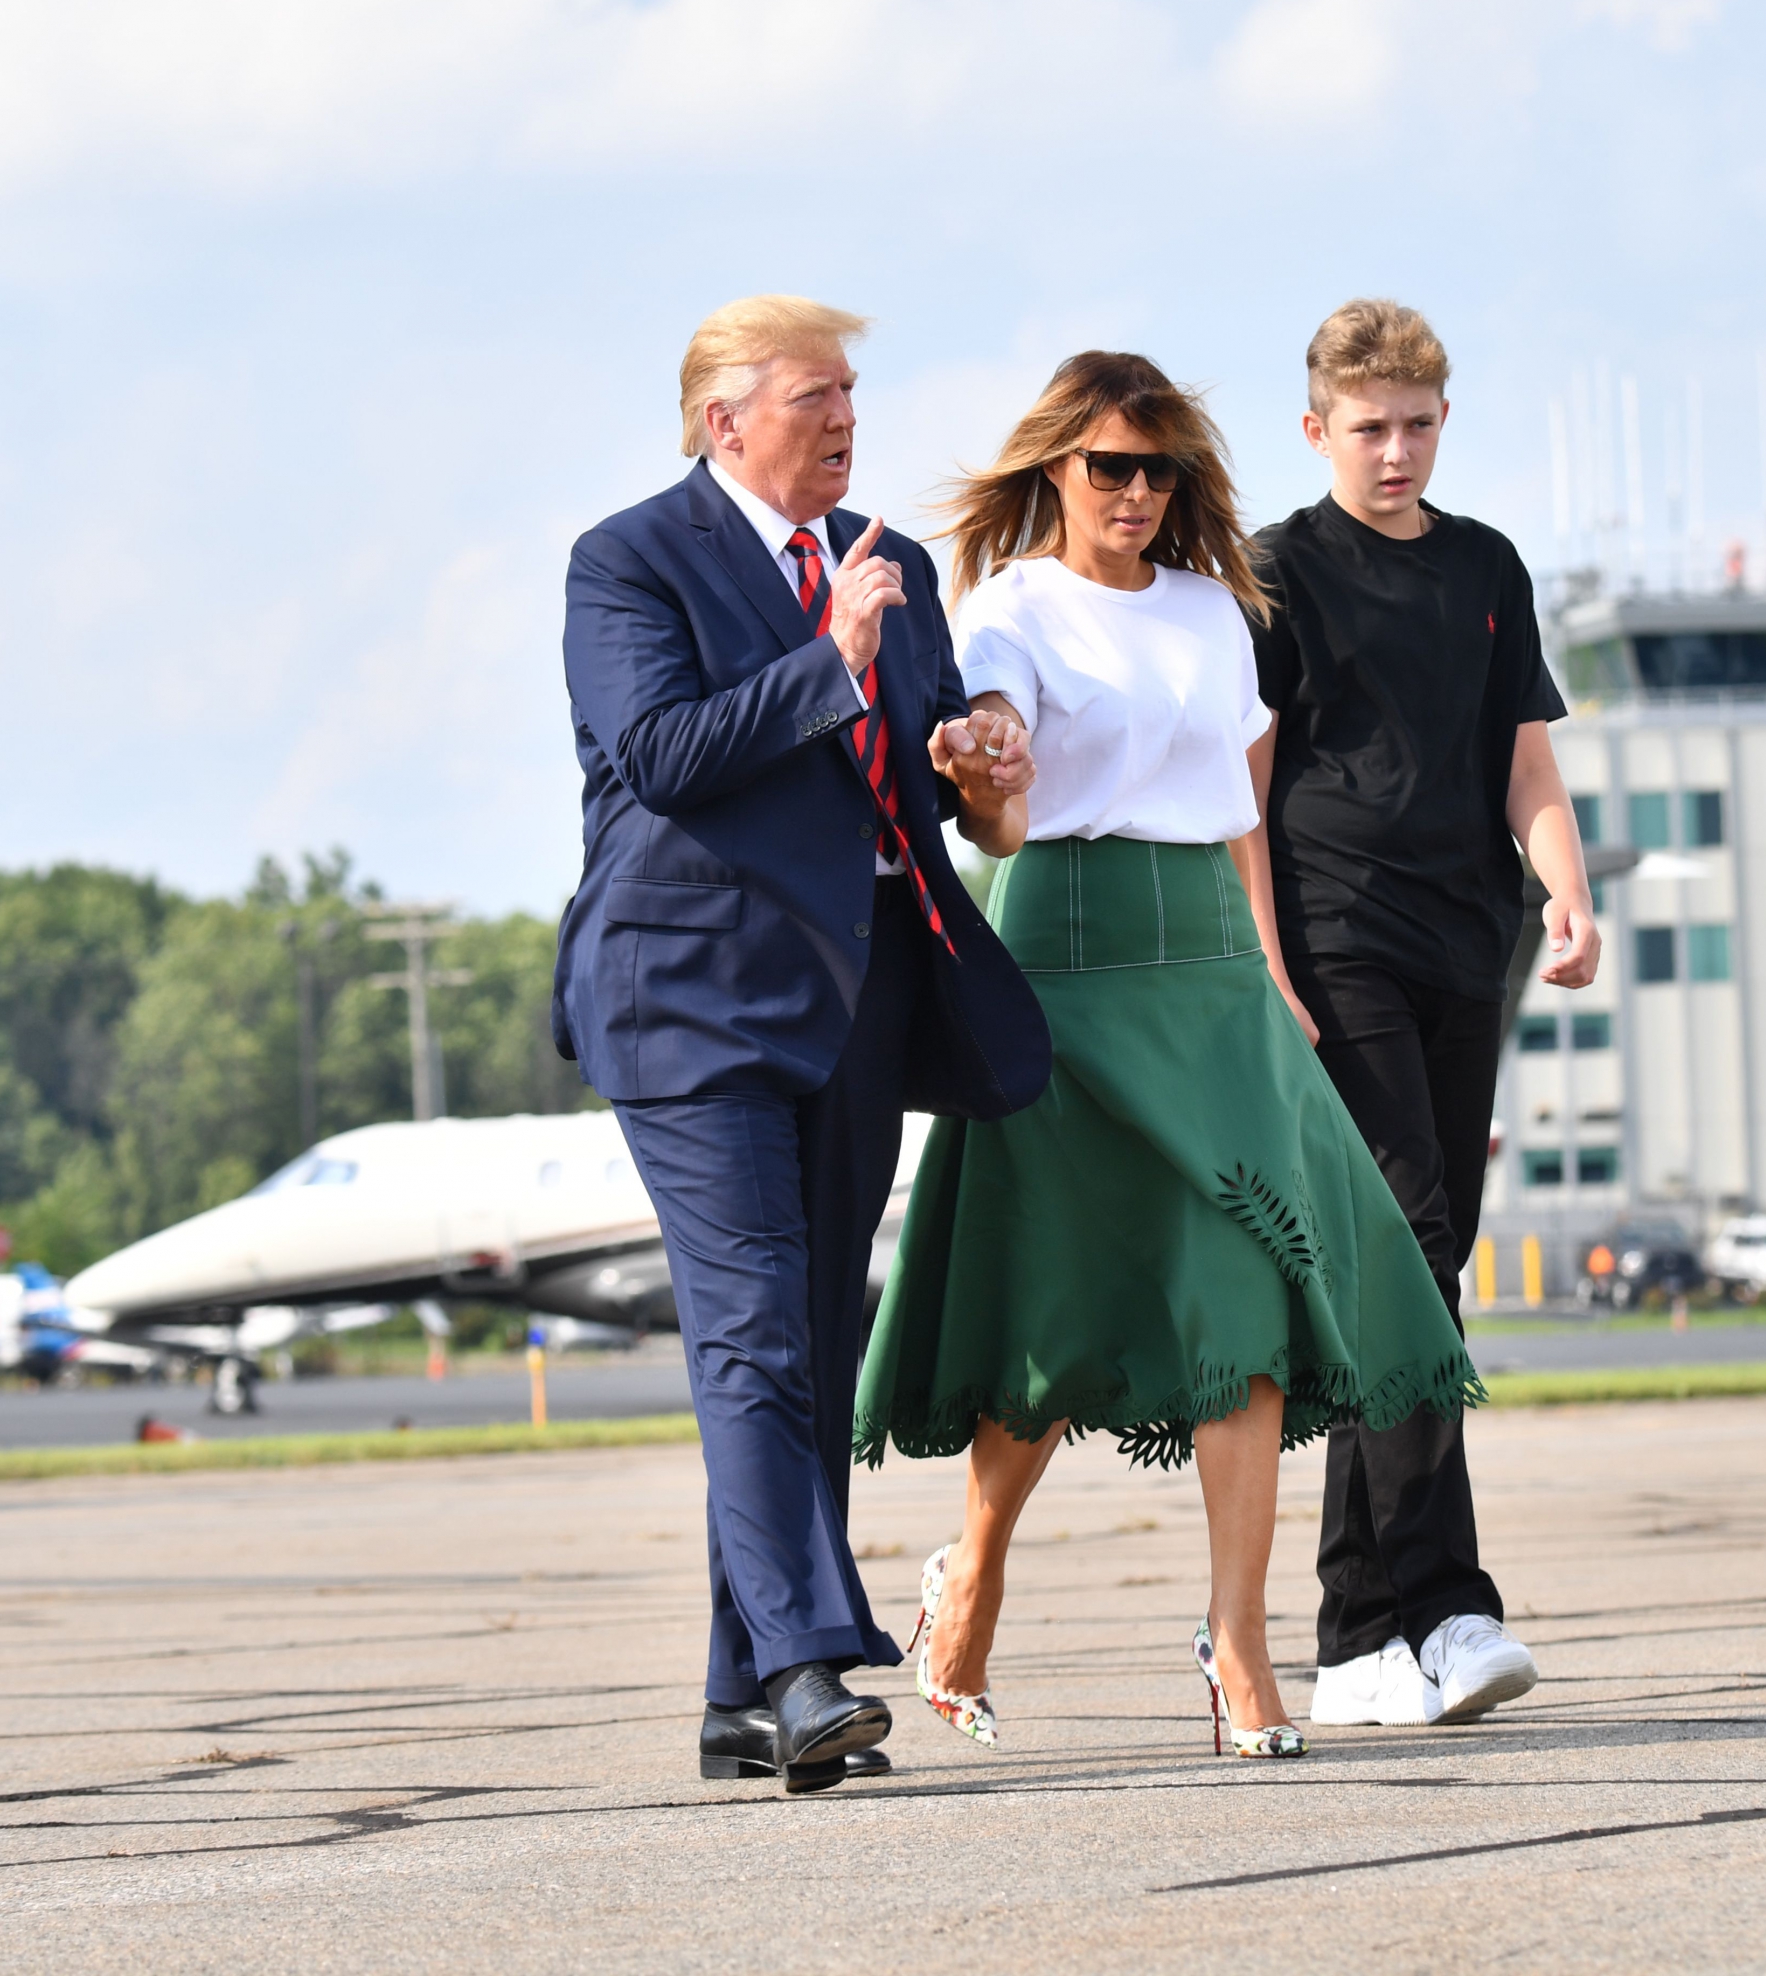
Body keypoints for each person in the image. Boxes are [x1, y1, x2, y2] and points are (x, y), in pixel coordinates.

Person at [852, 351, 1484, 1762]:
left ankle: (1243, 1653)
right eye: (1107, 469)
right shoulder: (1011, 606)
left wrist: (1270, 962)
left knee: (1240, 1307)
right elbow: (994, 779)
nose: (1135, 494)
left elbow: (1241, 800)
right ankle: (975, 1566)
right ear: (1055, 473)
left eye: (1158, 471)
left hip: (1208, 967)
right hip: (1065, 955)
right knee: (1058, 1317)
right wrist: (987, 755)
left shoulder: (1216, 610)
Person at [551, 295, 1051, 1795]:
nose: (845, 419)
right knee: (756, 1324)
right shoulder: (629, 561)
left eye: (852, 395)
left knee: (813, 1344)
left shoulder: (886, 567)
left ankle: (733, 1693)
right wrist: (830, 660)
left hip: (857, 996)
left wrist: (973, 749)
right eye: (815, 396)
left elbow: (913, 757)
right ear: (725, 420)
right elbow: (664, 756)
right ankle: (806, 1664)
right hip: (688, 999)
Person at [1245, 299, 1603, 1729]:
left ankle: (1352, 1636)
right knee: (1408, 1236)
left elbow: (1524, 759)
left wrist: (1566, 895)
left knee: (1417, 1270)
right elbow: (1246, 793)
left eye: (1418, 425)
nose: (1395, 452)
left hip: (1472, 937)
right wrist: (1268, 963)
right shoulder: (1277, 573)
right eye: (1369, 427)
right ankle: (1447, 1606)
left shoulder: (1486, 567)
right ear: (1318, 425)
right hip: (1338, 935)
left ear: (1443, 421)